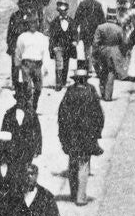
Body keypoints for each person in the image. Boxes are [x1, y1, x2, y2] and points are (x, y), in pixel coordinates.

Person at [57, 67, 105, 205]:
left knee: (72, 163)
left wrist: (62, 134)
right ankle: (81, 196)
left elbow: (62, 115)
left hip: (72, 135)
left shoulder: (70, 92)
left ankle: (73, 192)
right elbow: (99, 114)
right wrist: (97, 132)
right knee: (84, 165)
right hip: (87, 134)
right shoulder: (91, 91)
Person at [0, 86, 42, 172]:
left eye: (22, 99)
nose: (20, 102)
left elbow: (37, 132)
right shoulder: (9, 114)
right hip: (13, 151)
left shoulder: (31, 114)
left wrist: (38, 149)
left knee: (24, 172)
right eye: (19, 99)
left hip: (27, 150)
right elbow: (3, 133)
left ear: (26, 100)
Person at [13, 14, 48, 112]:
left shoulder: (42, 37)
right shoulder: (22, 37)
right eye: (30, 23)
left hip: (37, 64)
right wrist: (17, 65)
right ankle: (29, 108)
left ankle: (34, 103)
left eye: (35, 23)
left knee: (38, 88)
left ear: (37, 24)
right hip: (26, 64)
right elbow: (18, 52)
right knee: (27, 88)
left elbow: (45, 53)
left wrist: (45, 67)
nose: (33, 25)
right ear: (27, 24)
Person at [92, 12, 127, 101]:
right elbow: (123, 42)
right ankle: (108, 95)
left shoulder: (100, 27)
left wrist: (95, 53)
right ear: (115, 18)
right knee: (111, 72)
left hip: (102, 51)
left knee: (103, 70)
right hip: (114, 51)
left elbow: (95, 42)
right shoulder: (118, 29)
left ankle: (103, 91)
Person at [73, 0, 105, 73]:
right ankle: (92, 66)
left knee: (87, 48)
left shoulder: (83, 4)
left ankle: (89, 65)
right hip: (95, 29)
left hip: (85, 29)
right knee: (94, 48)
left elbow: (77, 18)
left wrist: (75, 28)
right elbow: (102, 19)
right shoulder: (98, 5)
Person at [48, 1, 78, 90]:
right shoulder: (54, 22)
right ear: (59, 11)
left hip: (68, 46)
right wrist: (52, 46)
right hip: (58, 46)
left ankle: (63, 81)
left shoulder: (71, 21)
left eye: (65, 10)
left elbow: (75, 33)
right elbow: (52, 36)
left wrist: (75, 41)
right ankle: (58, 83)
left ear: (67, 11)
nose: (63, 12)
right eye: (61, 11)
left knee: (66, 64)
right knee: (59, 64)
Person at [5, 0, 33, 89]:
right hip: (16, 44)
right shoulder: (14, 16)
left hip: (27, 45)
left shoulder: (30, 17)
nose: (23, 8)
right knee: (15, 65)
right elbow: (10, 31)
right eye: (21, 6)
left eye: (25, 6)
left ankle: (27, 82)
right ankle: (15, 83)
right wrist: (9, 44)